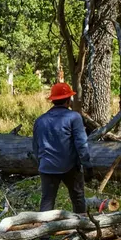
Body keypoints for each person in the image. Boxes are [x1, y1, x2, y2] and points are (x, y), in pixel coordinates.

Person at [32, 82, 91, 213]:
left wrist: (42, 162)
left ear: (53, 100)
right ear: (68, 99)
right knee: (78, 197)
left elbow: (35, 147)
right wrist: (87, 164)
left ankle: (44, 231)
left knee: (47, 200)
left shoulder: (40, 120)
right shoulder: (74, 117)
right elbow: (81, 143)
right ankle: (81, 228)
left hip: (47, 167)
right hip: (70, 167)